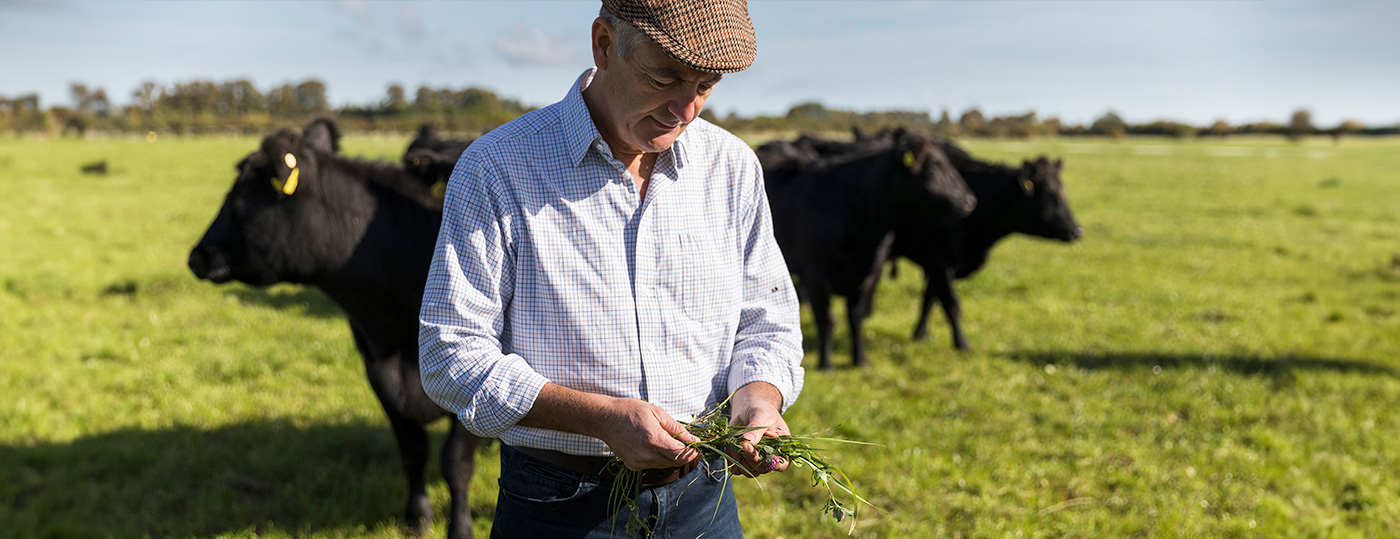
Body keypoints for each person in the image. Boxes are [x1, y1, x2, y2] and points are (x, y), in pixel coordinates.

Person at [418, 0, 805, 536]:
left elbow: (768, 321)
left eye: (706, 84)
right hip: (559, 506)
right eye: (664, 76)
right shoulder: (499, 167)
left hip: (704, 501)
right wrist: (600, 418)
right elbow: (450, 354)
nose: (686, 109)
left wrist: (757, 400)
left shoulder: (731, 167)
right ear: (603, 44)